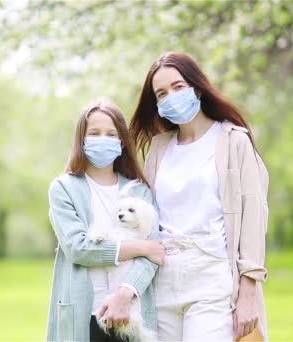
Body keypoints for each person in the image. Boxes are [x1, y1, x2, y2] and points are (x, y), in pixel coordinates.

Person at [129, 52, 269, 342]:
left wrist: (248, 290)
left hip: (211, 276)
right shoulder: (158, 149)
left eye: (178, 87)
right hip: (163, 279)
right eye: (162, 93)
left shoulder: (234, 141)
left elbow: (254, 216)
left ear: (198, 88)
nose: (171, 96)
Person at [46, 98, 165, 342]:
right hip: (85, 315)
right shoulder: (63, 189)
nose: (103, 139)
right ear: (82, 140)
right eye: (95, 133)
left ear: (121, 142)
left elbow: (152, 260)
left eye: (111, 134)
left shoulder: (139, 191)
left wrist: (124, 294)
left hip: (132, 315)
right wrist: (141, 247)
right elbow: (78, 248)